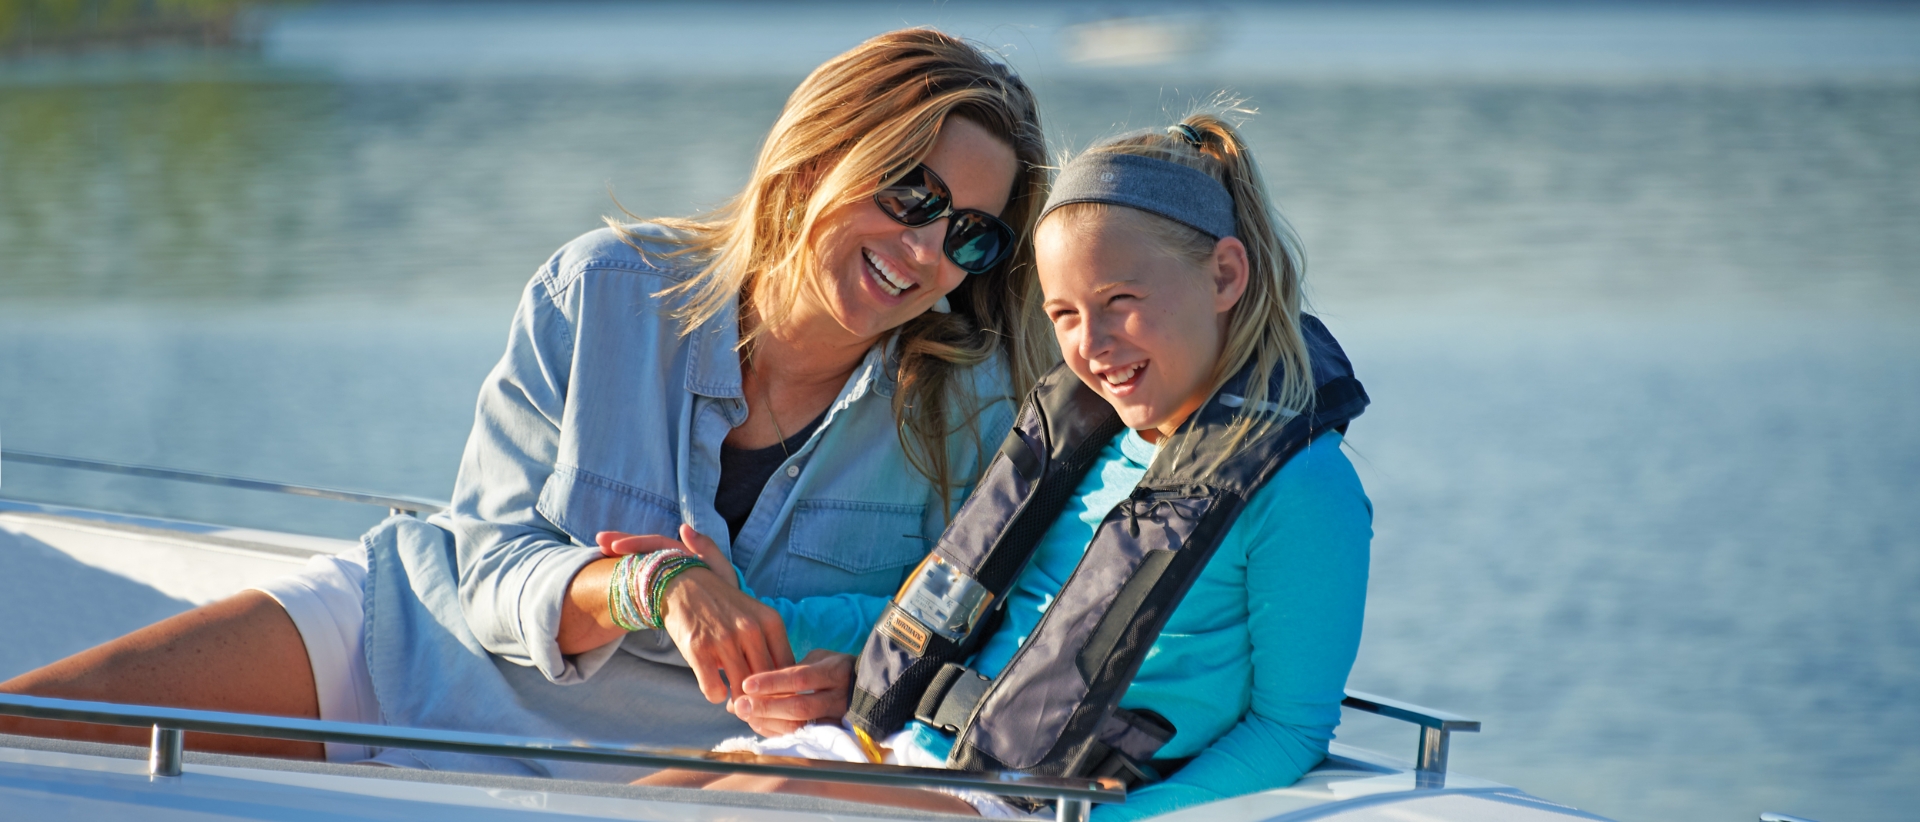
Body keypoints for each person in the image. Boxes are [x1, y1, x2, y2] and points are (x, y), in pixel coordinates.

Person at [0, 29, 1054, 775]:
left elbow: (970, 626)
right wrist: (652, 586)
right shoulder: (604, 289)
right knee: (29, 736)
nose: (926, 249)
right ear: (821, 153)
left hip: (663, 762)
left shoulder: (972, 406)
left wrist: (854, 671)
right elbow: (479, 565)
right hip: (400, 646)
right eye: (911, 193)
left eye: (970, 234)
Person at [657, 110, 1374, 821]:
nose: (1091, 345)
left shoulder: (1303, 490)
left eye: (1120, 301)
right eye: (1063, 315)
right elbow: (968, 615)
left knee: (771, 798)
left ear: (1224, 275)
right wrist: (756, 613)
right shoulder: (1088, 442)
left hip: (1027, 805)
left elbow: (1290, 731)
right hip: (909, 753)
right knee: (678, 784)